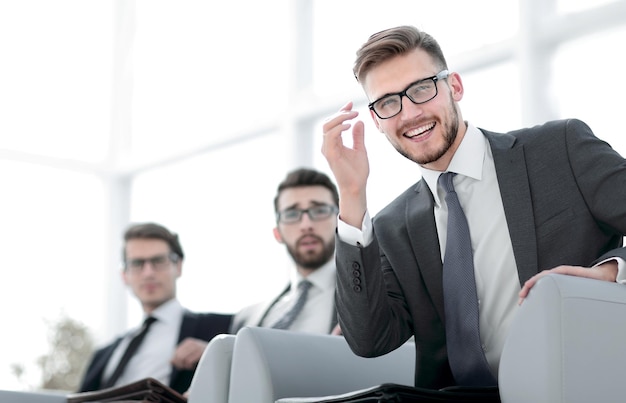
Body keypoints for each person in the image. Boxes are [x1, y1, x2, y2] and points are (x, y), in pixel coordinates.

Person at [321, 24, 626, 389]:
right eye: (388, 102)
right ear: (376, 120)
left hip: (579, 386)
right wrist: (352, 195)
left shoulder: (559, 149)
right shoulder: (391, 226)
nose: (409, 113)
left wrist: (613, 273)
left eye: (421, 89)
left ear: (455, 87)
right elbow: (370, 340)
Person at [79, 222, 232, 394]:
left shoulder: (222, 330)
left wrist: (220, 353)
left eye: (159, 261)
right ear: (124, 275)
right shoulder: (103, 354)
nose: (148, 272)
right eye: (137, 263)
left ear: (178, 266)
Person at [230, 168, 341, 335]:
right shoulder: (246, 318)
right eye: (292, 214)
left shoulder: (370, 303)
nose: (306, 225)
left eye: (319, 211)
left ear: (339, 222)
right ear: (277, 233)